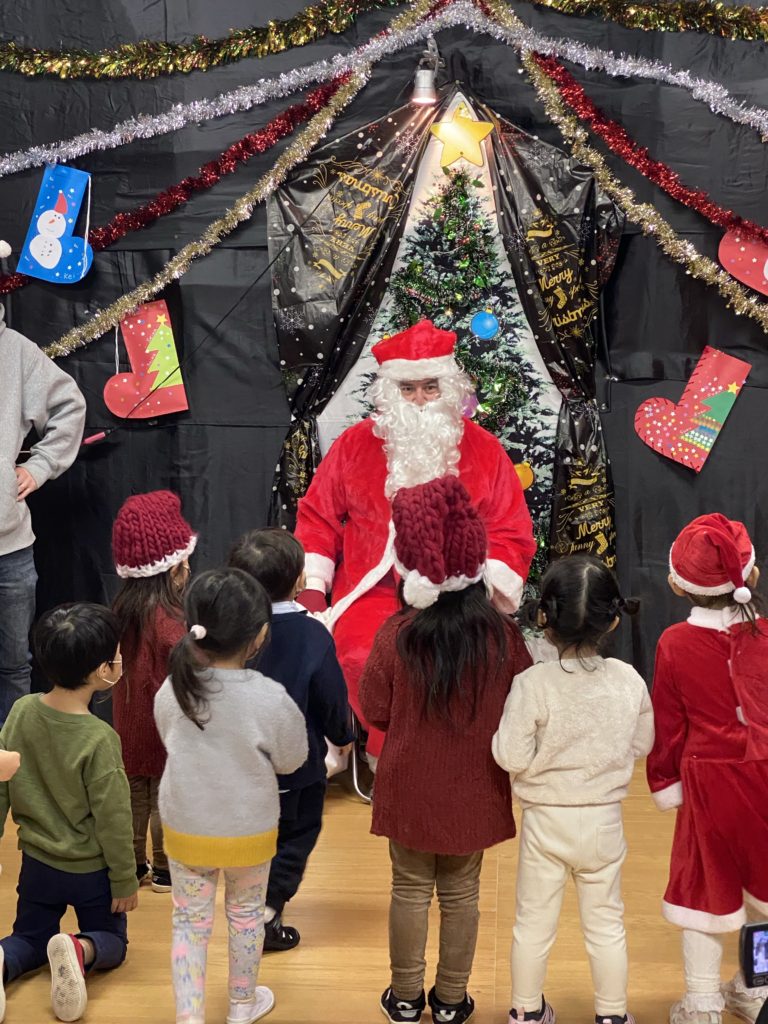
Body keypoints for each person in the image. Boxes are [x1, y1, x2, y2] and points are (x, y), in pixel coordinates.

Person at [295, 318, 536, 761]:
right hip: (372, 590)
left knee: (475, 657)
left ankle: (445, 757)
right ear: (391, 391)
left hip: (462, 595)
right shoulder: (354, 445)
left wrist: (481, 582)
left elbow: (510, 530)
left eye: (430, 387)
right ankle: (390, 756)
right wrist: (313, 586)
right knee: (361, 653)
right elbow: (318, 516)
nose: (420, 400)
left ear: (449, 388)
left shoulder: (484, 449)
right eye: (408, 389)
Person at [358, 476, 532, 1024]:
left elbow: (374, 708)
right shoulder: (504, 638)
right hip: (476, 787)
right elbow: (523, 705)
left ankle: (405, 997)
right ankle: (452, 1001)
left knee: (409, 888)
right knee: (462, 893)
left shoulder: (397, 634)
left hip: (409, 786)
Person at [492, 555, 653, 1024]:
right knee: (606, 924)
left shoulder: (531, 684)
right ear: (613, 620)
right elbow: (642, 742)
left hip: (545, 822)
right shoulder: (628, 680)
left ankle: (526, 1011)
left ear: (544, 619)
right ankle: (612, 1014)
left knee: (532, 924)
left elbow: (511, 756)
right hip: (604, 822)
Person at [154, 568, 308, 1024]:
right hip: (249, 831)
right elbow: (293, 759)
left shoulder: (172, 689)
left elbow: (168, 738)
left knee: (189, 923)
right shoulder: (269, 697)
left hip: (185, 826)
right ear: (258, 636)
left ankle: (189, 1015)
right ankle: (242, 1004)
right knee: (246, 915)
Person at [647, 513, 768, 1024]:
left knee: (704, 887)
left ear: (677, 584)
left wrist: (664, 781)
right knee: (764, 889)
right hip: (765, 776)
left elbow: (667, 725)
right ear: (751, 575)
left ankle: (701, 1005)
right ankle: (756, 990)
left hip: (706, 782)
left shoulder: (674, 643)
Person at [0, 603, 137, 1024]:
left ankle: (2, 960)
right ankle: (79, 949)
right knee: (112, 940)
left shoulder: (22, 710)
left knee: (28, 938)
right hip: (91, 872)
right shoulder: (100, 739)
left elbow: (1, 782)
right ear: (101, 671)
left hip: (37, 864)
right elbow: (114, 819)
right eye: (116, 656)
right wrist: (124, 879)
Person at [229, 528, 353, 952]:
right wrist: (343, 734)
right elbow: (330, 696)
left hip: (238, 766)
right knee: (297, 834)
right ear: (300, 579)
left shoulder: (225, 631)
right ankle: (267, 907)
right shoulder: (312, 634)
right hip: (296, 768)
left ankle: (248, 901)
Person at [0, 303, 86, 724]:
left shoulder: (15, 350)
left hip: (10, 548)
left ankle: (9, 752)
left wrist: (39, 466)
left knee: (15, 665)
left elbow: (69, 406)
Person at [111, 490, 196, 894]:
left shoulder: (120, 611)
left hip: (127, 723)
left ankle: (132, 864)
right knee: (164, 796)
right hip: (165, 727)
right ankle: (164, 867)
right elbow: (188, 674)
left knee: (133, 795)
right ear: (173, 568)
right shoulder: (171, 620)